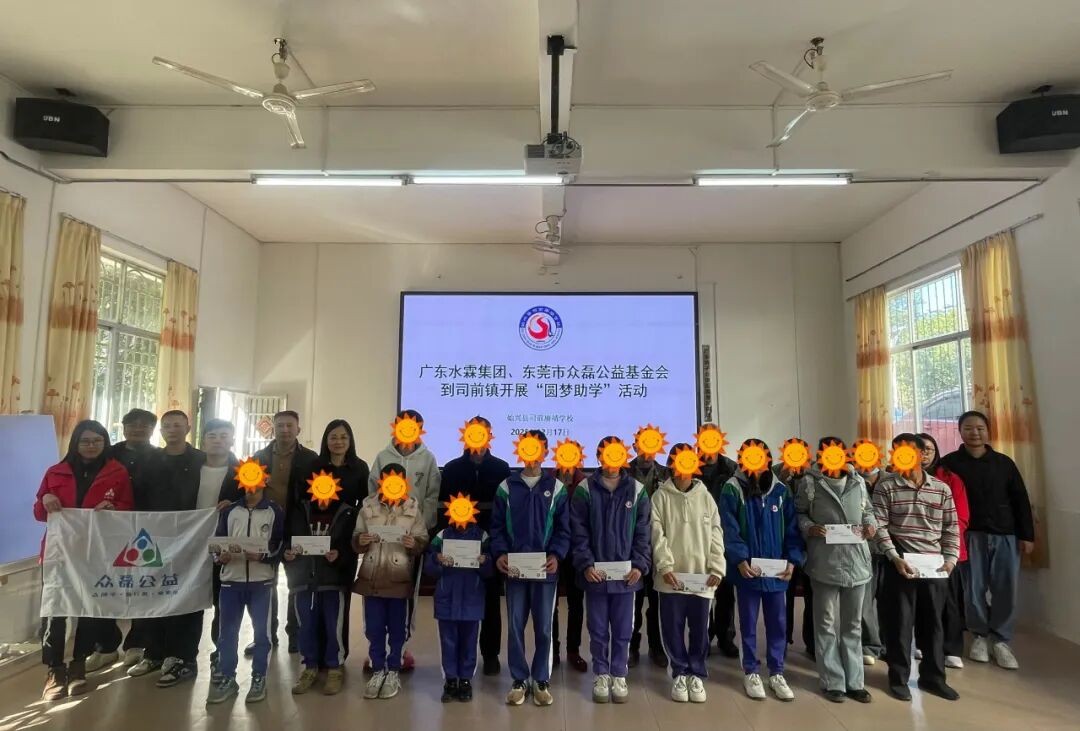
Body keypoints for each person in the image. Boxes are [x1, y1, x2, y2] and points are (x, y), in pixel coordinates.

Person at [34, 420, 134, 701]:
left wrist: (113, 508)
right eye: (85, 441)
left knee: (90, 609)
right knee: (54, 611)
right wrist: (46, 499)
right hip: (58, 553)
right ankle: (54, 669)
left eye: (97, 441)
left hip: (96, 553)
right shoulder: (55, 472)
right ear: (75, 443)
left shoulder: (117, 472)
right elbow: (39, 513)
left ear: (105, 442)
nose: (91, 446)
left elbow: (128, 509)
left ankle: (79, 665)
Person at [941, 411, 1033, 671]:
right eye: (969, 428)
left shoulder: (1004, 463)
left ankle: (1001, 640)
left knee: (1005, 588)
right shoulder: (949, 463)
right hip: (968, 536)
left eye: (980, 428)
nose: (975, 433)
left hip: (1005, 534)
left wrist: (1027, 535)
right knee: (973, 588)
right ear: (960, 431)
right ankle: (979, 635)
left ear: (988, 431)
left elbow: (1020, 499)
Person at [874, 433, 960, 701]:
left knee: (933, 624)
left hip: (934, 565)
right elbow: (879, 525)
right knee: (899, 624)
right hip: (900, 563)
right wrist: (893, 556)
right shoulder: (886, 486)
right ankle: (898, 678)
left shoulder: (941, 489)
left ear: (923, 455)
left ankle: (933, 678)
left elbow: (951, 527)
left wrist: (950, 559)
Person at [127, 411, 210, 686]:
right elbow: (137, 496)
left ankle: (182, 657)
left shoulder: (201, 459)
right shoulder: (149, 459)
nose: (172, 430)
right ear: (161, 431)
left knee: (187, 598)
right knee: (154, 595)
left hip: (192, 540)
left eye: (177, 425)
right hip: (153, 540)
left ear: (188, 428)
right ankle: (154, 653)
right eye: (167, 426)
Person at [490, 430, 570, 707]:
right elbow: (497, 527)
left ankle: (541, 678)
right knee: (515, 626)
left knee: (544, 627)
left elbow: (563, 530)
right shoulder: (506, 487)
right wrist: (500, 553)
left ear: (545, 452)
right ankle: (519, 678)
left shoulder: (556, 488)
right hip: (514, 571)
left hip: (545, 571)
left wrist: (557, 555)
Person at [720, 439, 804, 702]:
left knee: (778, 623)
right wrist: (739, 560)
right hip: (747, 571)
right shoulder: (732, 488)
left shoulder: (781, 490)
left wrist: (792, 561)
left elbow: (792, 530)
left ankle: (777, 671)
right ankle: (751, 671)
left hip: (777, 572)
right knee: (747, 623)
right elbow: (729, 529)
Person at [571, 437, 652, 704]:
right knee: (597, 628)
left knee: (623, 628)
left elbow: (643, 532)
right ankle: (601, 673)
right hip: (595, 575)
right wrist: (586, 564)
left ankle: (619, 673)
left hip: (627, 577)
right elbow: (579, 532)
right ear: (599, 457)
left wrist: (639, 564)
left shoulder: (637, 491)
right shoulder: (584, 489)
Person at [795, 439, 876, 704]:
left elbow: (868, 511)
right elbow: (799, 514)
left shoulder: (858, 481)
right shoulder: (810, 483)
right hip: (824, 563)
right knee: (826, 623)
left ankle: (855, 682)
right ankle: (832, 681)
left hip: (857, 562)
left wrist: (871, 526)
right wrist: (809, 527)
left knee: (853, 624)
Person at [283, 427, 359, 697]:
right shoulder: (299, 512)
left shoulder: (346, 513)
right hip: (303, 578)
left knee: (333, 624)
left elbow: (349, 545)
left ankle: (335, 667)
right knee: (306, 624)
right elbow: (288, 540)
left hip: (332, 578)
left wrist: (340, 556)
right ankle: (310, 666)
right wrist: (287, 554)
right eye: (319, 484)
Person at [84, 408, 159, 673]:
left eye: (144, 425)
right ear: (123, 427)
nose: (138, 429)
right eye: (132, 424)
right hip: (108, 531)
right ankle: (105, 646)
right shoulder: (107, 454)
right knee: (104, 586)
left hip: (145, 531)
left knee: (142, 588)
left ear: (152, 430)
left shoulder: (160, 457)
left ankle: (137, 644)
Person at [367, 408, 441, 672]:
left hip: (410, 540)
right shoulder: (383, 457)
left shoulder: (428, 459)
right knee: (376, 591)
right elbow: (372, 493)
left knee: (406, 592)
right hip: (381, 540)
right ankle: (375, 647)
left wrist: (419, 528)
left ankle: (401, 647)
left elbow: (432, 497)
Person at [206, 461, 285, 705]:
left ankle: (259, 677)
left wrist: (263, 556)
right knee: (227, 633)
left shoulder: (274, 511)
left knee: (262, 634)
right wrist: (220, 557)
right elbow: (217, 544)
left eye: (256, 479)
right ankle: (228, 677)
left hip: (262, 583)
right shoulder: (229, 511)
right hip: (231, 582)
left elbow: (280, 545)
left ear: (264, 481)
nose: (251, 486)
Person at [652, 443, 725, 704]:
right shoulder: (660, 497)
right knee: (672, 627)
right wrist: (665, 566)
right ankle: (679, 672)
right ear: (671, 464)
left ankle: (697, 672)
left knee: (700, 629)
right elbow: (656, 535)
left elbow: (716, 533)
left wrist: (717, 566)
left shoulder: (706, 497)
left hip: (701, 578)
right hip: (671, 578)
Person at [438, 416, 510, 675]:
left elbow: (506, 511)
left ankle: (490, 655)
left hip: (489, 545)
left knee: (490, 600)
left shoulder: (501, 468)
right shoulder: (451, 468)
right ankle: (458, 658)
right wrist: (444, 545)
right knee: (459, 598)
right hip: (457, 546)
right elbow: (442, 510)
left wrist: (499, 546)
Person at [352, 463, 429, 701]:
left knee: (398, 629)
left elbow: (422, 539)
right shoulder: (368, 507)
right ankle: (378, 670)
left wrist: (414, 544)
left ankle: (394, 669)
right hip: (372, 577)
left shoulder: (413, 509)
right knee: (373, 628)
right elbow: (356, 538)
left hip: (399, 578)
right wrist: (361, 540)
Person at [249, 410, 318, 655]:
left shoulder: (311, 459)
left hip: (298, 528)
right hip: (265, 530)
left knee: (297, 584)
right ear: (273, 429)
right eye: (280, 426)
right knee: (264, 585)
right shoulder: (259, 457)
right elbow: (247, 490)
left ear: (298, 429)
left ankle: (296, 635)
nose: (285, 430)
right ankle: (265, 635)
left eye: (290, 426)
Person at [305, 419, 369, 665]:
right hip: (317, 537)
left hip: (345, 541)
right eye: (333, 437)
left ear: (350, 440)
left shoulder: (360, 467)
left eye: (343, 437)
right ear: (326, 440)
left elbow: (365, 503)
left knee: (339, 598)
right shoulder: (314, 466)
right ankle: (315, 656)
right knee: (316, 598)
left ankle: (337, 657)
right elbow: (304, 502)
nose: (338, 442)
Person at [424, 493, 494, 703]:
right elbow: (429, 566)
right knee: (448, 641)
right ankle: (450, 680)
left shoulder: (482, 536)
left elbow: (490, 570)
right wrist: (436, 559)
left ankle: (465, 680)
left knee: (469, 641)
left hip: (472, 598)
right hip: (446, 598)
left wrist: (485, 561)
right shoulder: (442, 536)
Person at [919, 432, 970, 670]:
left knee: (949, 601)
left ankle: (951, 649)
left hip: (945, 550)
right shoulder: (899, 478)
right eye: (918, 449)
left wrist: (941, 540)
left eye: (928, 449)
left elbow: (961, 517)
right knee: (921, 600)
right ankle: (923, 643)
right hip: (916, 551)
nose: (923, 454)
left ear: (935, 452)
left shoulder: (950, 478)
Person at [199, 419, 243, 674]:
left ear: (232, 440)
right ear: (203, 440)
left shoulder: (243, 472)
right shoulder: (189, 467)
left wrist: (236, 503)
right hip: (190, 542)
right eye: (212, 435)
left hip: (223, 545)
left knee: (222, 601)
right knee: (189, 597)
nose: (218, 440)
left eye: (224, 435)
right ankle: (182, 654)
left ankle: (222, 650)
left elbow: (255, 502)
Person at [628, 428, 670, 668]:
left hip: (658, 546)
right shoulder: (624, 472)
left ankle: (657, 646)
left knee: (657, 602)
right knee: (632, 601)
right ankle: (632, 646)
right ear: (635, 446)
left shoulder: (666, 474)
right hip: (631, 546)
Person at [699, 424, 740, 658]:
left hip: (724, 537)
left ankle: (726, 637)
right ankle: (703, 637)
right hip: (697, 538)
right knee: (701, 591)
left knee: (725, 593)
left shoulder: (732, 468)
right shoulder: (689, 464)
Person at [550, 452, 587, 672]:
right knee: (551, 604)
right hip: (552, 551)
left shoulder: (585, 484)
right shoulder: (548, 481)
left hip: (576, 552)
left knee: (576, 603)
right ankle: (553, 651)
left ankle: (573, 651)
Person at [856, 463, 886, 665]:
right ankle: (869, 645)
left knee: (891, 602)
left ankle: (889, 644)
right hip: (862, 549)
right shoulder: (851, 480)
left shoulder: (892, 479)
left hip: (892, 550)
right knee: (864, 602)